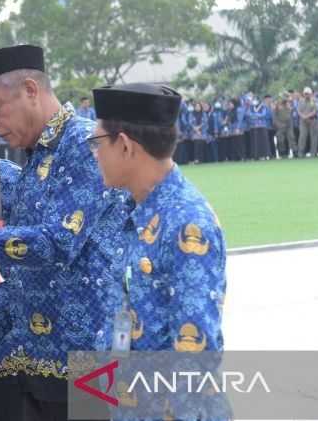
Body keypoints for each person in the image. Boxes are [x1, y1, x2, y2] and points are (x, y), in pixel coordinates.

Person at [0, 45, 125, 421]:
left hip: (89, 364)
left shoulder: (86, 146)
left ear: (30, 90)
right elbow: (20, 275)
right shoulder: (37, 158)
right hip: (36, 368)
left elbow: (56, 243)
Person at [89, 83, 226, 357]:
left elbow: (195, 360)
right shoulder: (131, 207)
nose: (94, 154)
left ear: (125, 146)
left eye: (97, 143)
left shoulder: (187, 222)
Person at [297, 87, 318, 157]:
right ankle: (300, 153)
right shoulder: (301, 101)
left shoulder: (314, 101)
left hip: (313, 121)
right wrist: (303, 117)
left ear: (310, 94)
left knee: (314, 138)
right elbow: (298, 110)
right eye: (305, 94)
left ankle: (313, 153)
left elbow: (315, 111)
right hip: (303, 121)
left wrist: (307, 116)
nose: (306, 95)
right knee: (302, 137)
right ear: (303, 94)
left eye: (308, 94)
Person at [247, 96, 271, 160]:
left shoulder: (263, 107)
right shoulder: (251, 107)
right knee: (255, 142)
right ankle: (255, 155)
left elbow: (263, 114)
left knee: (263, 142)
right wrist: (256, 115)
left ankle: (265, 155)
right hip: (254, 126)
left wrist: (255, 115)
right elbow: (248, 114)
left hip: (262, 126)